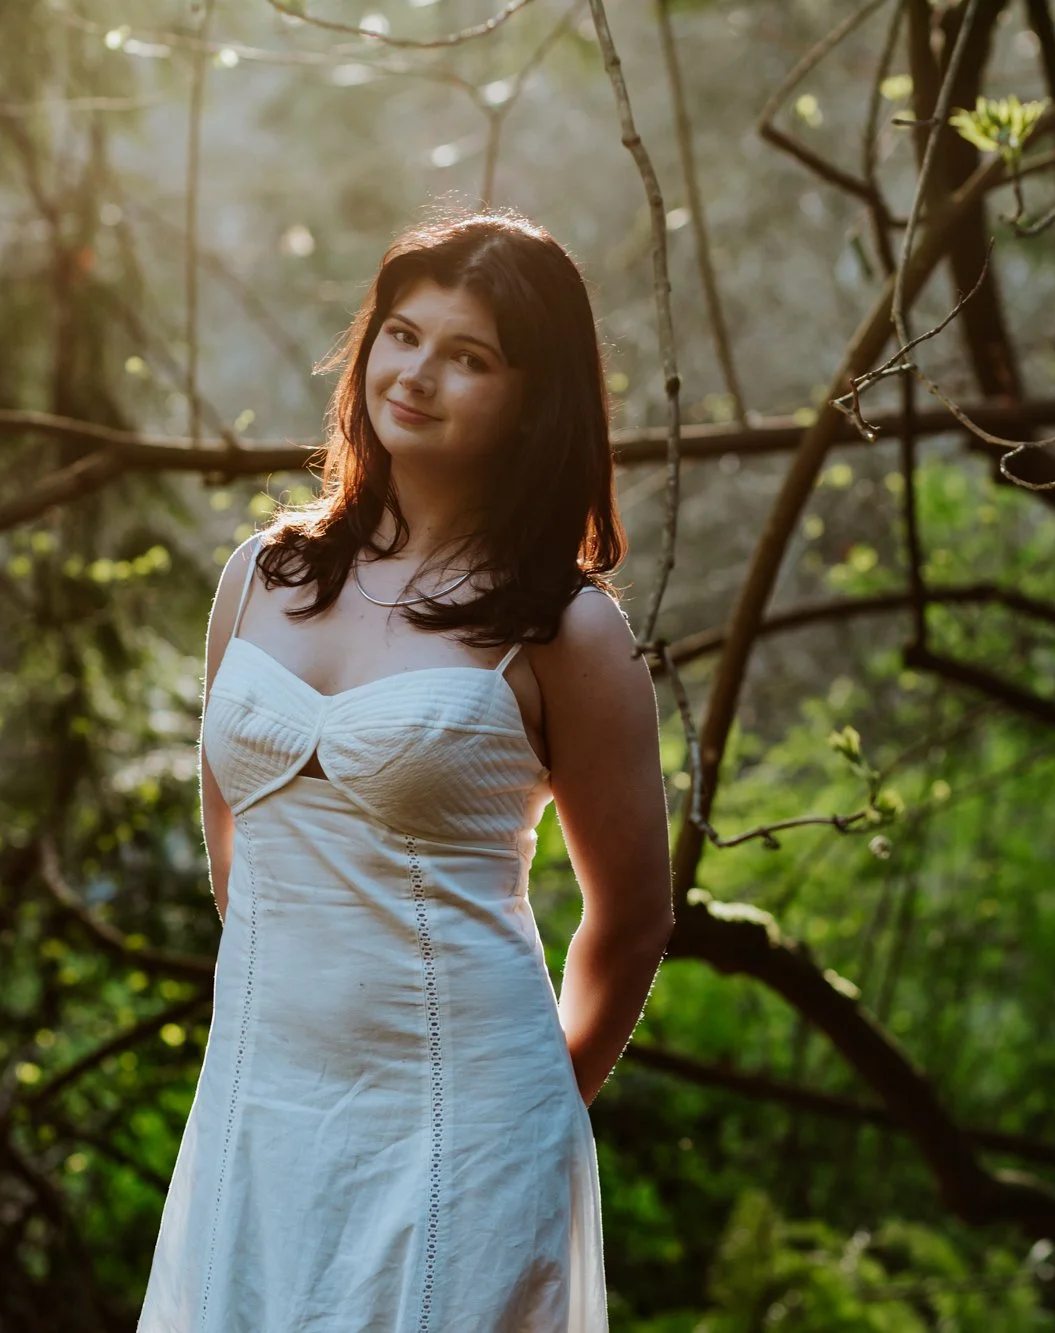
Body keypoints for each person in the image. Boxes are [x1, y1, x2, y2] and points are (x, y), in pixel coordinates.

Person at [137, 209, 673, 1331]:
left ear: (536, 398)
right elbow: (237, 861)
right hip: (258, 1112)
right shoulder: (258, 575)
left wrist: (527, 1112)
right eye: (399, 333)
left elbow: (628, 921)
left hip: (465, 1132)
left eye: (467, 357)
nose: (415, 374)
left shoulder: (566, 632)